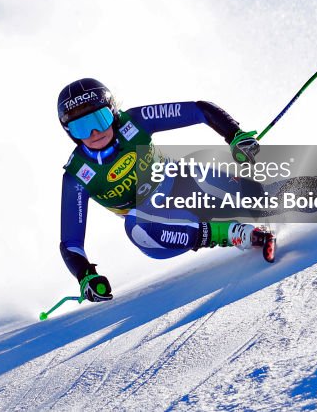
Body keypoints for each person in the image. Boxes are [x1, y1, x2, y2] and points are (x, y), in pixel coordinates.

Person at [57, 78, 276, 303]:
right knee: (134, 225)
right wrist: (86, 276)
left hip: (188, 186)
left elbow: (199, 109)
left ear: (112, 112)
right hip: (160, 229)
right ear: (69, 132)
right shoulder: (76, 176)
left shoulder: (135, 121)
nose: (94, 132)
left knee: (259, 197)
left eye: (100, 119)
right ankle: (233, 234)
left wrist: (235, 135)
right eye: (81, 126)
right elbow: (71, 243)